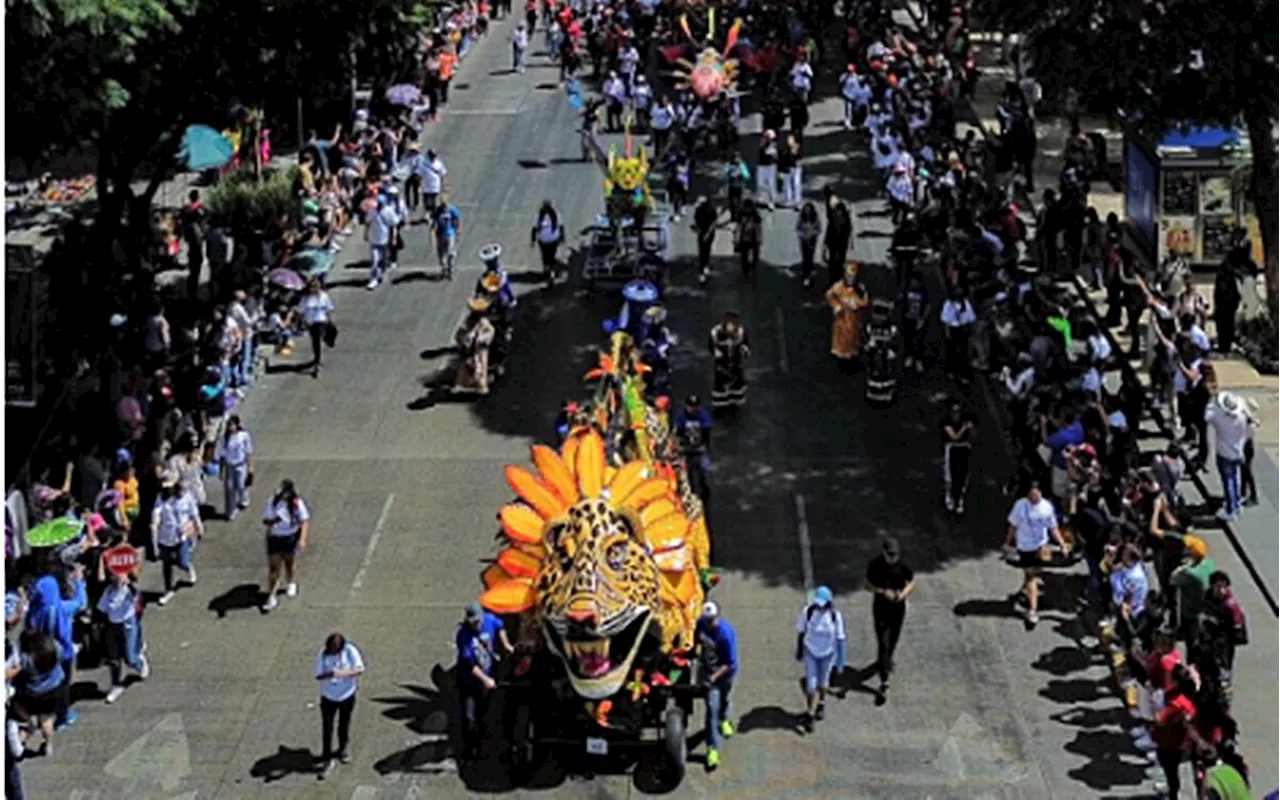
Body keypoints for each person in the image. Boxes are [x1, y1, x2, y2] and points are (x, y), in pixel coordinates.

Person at [1003, 482, 1068, 626]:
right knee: (1031, 576)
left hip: (1041, 546)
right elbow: (1013, 526)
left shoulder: (1046, 508)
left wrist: (1062, 544)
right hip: (1025, 547)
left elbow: (1053, 527)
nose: (1034, 498)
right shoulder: (1020, 506)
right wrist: (1008, 543)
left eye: (1036, 494)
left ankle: (1026, 588)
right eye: (1031, 495)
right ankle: (1033, 610)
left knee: (1033, 573)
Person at [456, 601, 514, 758]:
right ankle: (469, 748)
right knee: (469, 717)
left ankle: (481, 738)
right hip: (470, 680)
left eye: (477, 621)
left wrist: (506, 644)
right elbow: (469, 665)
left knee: (484, 710)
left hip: (487, 672)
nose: (475, 625)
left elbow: (500, 626)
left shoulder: (489, 619)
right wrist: (486, 680)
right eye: (472, 622)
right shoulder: (463, 636)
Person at [864, 538, 915, 699]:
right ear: (883, 552)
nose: (893, 557)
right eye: (890, 554)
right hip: (881, 608)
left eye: (895, 554)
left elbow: (912, 581)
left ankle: (885, 661)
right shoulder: (876, 565)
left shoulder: (903, 565)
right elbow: (867, 584)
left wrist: (903, 594)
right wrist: (881, 591)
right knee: (883, 643)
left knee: (893, 639)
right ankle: (884, 681)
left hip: (898, 608)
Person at [314, 632, 366, 780]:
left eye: (336, 649)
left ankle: (343, 749)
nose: (333, 652)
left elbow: (359, 669)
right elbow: (318, 675)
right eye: (331, 648)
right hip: (328, 697)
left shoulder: (350, 651)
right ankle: (327, 759)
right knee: (327, 729)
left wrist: (342, 673)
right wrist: (330, 674)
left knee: (344, 724)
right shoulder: (323, 655)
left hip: (347, 696)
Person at [795, 585, 846, 732]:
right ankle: (810, 714)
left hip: (828, 654)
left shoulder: (835, 616)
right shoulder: (808, 612)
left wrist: (840, 662)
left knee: (823, 683)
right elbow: (801, 631)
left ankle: (821, 703)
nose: (819, 606)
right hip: (810, 651)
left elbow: (840, 638)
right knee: (811, 685)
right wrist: (799, 650)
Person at [695, 601, 738, 771]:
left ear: (717, 617)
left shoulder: (725, 634)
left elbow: (729, 663)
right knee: (711, 709)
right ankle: (712, 748)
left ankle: (724, 719)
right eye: (707, 619)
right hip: (707, 672)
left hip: (724, 674)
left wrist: (713, 678)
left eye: (711, 619)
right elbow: (696, 637)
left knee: (724, 699)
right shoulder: (701, 624)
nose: (708, 623)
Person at [96, 568, 149, 704]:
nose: (117, 577)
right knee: (113, 659)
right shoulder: (108, 591)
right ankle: (115, 685)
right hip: (113, 626)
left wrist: (129, 582)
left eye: (120, 574)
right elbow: (102, 608)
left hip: (127, 625)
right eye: (114, 575)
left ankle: (140, 663)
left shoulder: (129, 590)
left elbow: (136, 594)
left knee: (130, 658)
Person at [151, 472, 202, 605]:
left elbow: (193, 513)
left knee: (182, 561)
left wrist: (198, 527)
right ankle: (167, 590)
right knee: (166, 565)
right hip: (165, 538)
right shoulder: (160, 498)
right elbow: (156, 514)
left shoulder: (185, 497)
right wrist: (155, 525)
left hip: (181, 536)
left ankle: (188, 567)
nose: (167, 490)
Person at [260, 479, 310, 612]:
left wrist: (302, 540)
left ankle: (290, 582)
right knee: (274, 568)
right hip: (275, 537)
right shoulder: (273, 502)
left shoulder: (296, 503)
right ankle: (271, 596)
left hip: (290, 537)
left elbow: (304, 521)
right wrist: (273, 521)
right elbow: (265, 519)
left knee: (289, 563)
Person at [1205, 391, 1251, 521]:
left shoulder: (1220, 418)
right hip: (1238, 452)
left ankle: (1231, 510)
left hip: (1224, 453)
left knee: (1228, 481)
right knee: (1236, 478)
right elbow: (1248, 433)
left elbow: (1207, 416)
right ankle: (1236, 504)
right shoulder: (1242, 418)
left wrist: (1212, 403)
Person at [825, 261, 870, 371]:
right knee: (841, 341)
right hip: (842, 321)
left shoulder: (859, 289)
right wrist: (836, 306)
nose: (851, 279)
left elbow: (865, 302)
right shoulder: (838, 287)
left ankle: (852, 361)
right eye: (849, 276)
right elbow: (829, 295)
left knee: (854, 340)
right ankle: (841, 362)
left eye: (853, 277)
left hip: (854, 321)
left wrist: (859, 303)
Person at [673, 395, 713, 503]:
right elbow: (677, 432)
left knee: (704, 471)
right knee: (688, 472)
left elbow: (706, 431)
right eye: (691, 406)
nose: (693, 409)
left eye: (695, 406)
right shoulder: (681, 416)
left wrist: (704, 445)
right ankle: (691, 493)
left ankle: (705, 490)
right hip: (686, 449)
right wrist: (678, 445)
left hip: (699, 448)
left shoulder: (703, 415)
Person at [454, 297, 497, 395]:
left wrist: (483, 338)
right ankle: (461, 384)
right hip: (468, 346)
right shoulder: (468, 321)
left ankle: (481, 386)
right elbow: (460, 333)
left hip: (480, 348)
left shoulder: (484, 322)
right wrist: (462, 339)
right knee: (464, 366)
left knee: (481, 366)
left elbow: (491, 331)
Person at [940, 400, 977, 514]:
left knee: (963, 475)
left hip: (964, 448)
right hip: (952, 448)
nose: (956, 414)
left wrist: (971, 429)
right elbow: (954, 437)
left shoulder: (965, 421)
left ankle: (960, 499)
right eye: (954, 411)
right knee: (949, 475)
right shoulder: (946, 422)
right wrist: (964, 428)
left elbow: (974, 437)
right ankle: (949, 497)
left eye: (958, 411)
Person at [708, 311, 750, 410]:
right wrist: (716, 353)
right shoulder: (715, 332)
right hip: (722, 364)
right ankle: (721, 405)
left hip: (736, 363)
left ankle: (737, 402)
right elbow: (711, 347)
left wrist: (744, 350)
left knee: (737, 383)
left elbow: (746, 344)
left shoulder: (741, 331)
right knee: (721, 384)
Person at [217, 415, 254, 520]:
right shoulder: (225, 438)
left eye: (232, 425)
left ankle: (244, 499)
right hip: (230, 467)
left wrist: (250, 467)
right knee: (229, 489)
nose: (230, 427)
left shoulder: (244, 436)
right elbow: (222, 455)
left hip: (241, 465)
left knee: (241, 485)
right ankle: (230, 511)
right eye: (228, 425)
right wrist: (221, 470)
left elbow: (248, 452)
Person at [297, 279, 335, 377]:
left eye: (316, 286)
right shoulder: (306, 298)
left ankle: (317, 361)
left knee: (317, 339)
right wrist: (301, 322)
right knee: (315, 341)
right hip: (311, 323)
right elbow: (301, 311)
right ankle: (317, 357)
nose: (315, 288)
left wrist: (330, 321)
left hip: (321, 321)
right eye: (312, 286)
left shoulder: (324, 296)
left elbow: (329, 309)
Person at [530, 199, 564, 288]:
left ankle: (547, 271)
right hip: (553, 240)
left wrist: (533, 241)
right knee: (551, 256)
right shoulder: (556, 215)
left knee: (545, 257)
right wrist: (562, 237)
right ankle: (551, 273)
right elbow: (561, 227)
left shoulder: (538, 217)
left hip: (544, 240)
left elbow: (534, 229)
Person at [432, 193, 462, 280]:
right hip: (440, 235)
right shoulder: (437, 211)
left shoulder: (452, 210)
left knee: (450, 253)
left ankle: (450, 270)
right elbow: (433, 224)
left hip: (450, 234)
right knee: (441, 255)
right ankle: (444, 268)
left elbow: (457, 218)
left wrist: (458, 230)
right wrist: (432, 236)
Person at [692, 196, 718, 284]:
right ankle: (702, 267)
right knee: (701, 249)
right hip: (701, 231)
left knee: (707, 248)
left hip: (709, 232)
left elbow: (714, 222)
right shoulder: (698, 210)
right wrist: (697, 229)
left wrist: (708, 233)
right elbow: (695, 220)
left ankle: (705, 264)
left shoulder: (711, 210)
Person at [796, 202, 822, 287]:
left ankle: (810, 272)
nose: (807, 212)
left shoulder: (815, 219)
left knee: (810, 256)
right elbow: (797, 229)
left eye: (809, 210)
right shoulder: (801, 219)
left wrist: (812, 234)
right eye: (806, 210)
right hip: (803, 241)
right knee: (805, 257)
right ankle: (806, 274)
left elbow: (819, 229)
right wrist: (803, 235)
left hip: (812, 241)